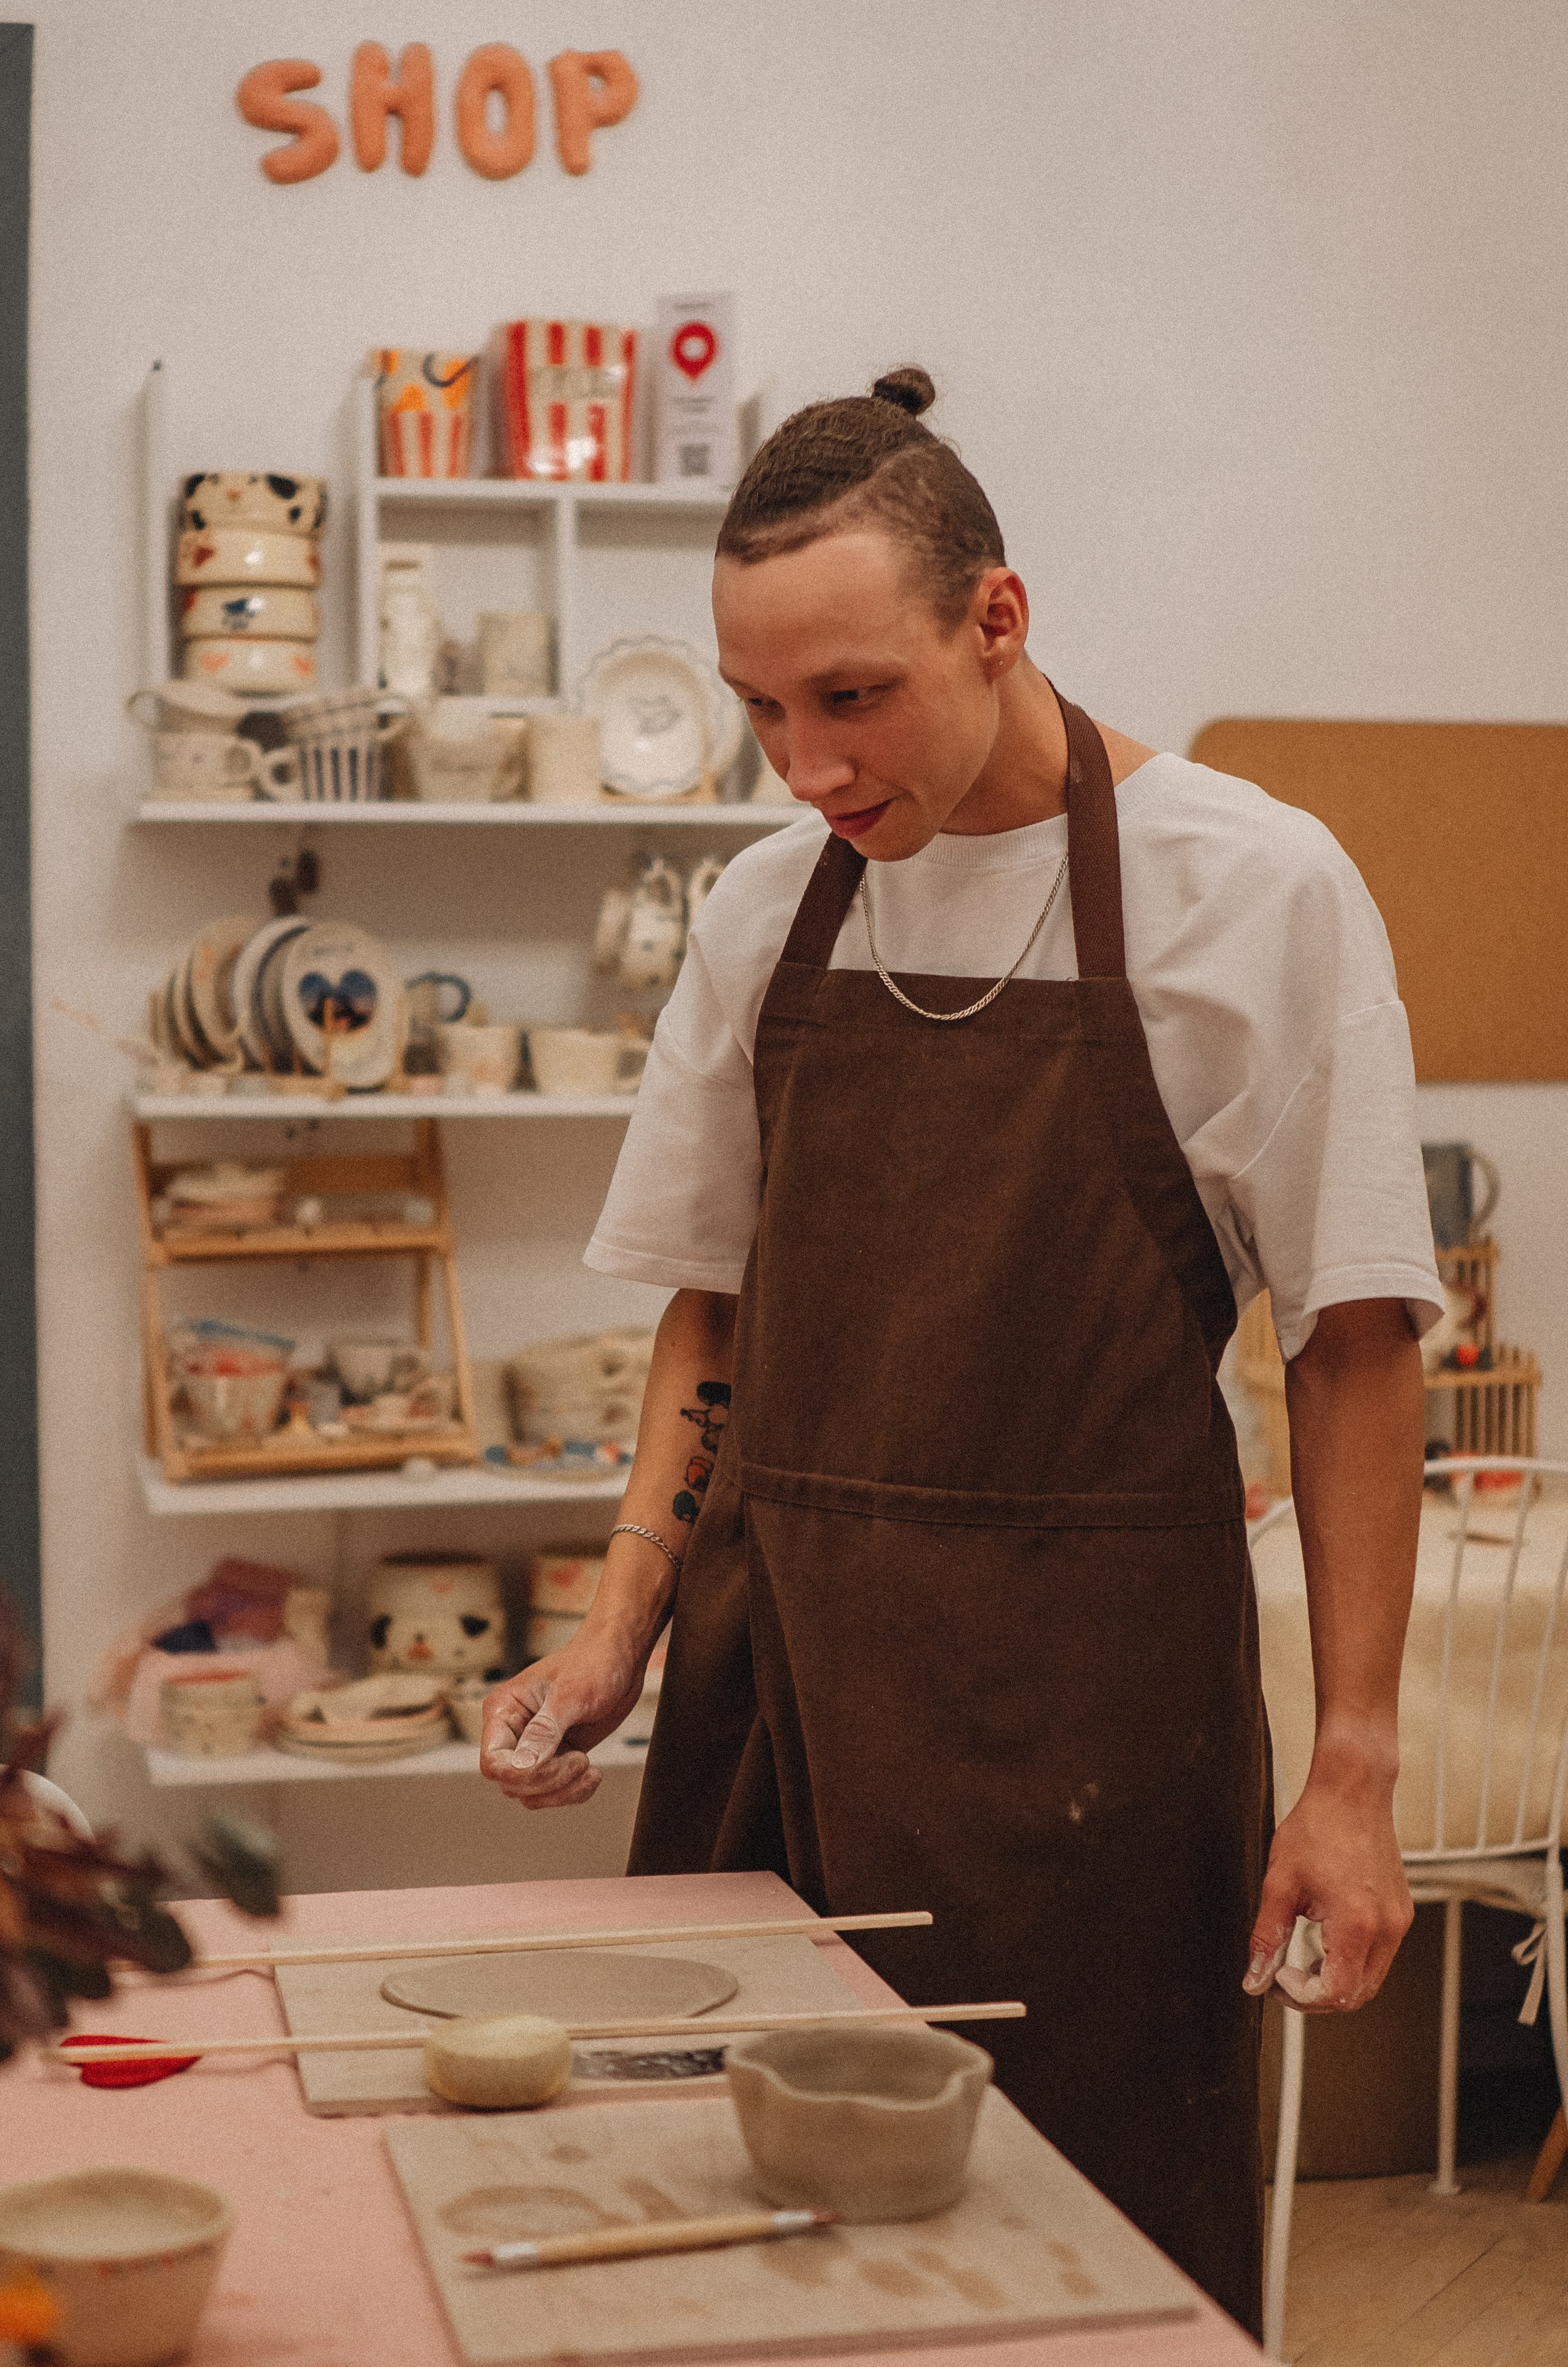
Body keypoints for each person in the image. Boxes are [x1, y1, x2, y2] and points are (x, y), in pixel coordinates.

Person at [481, 367, 1441, 2334]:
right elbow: (717, 1302)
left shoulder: (1249, 892)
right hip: (790, 1693)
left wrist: (1353, 1769)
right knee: (742, 2250)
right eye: (760, 709)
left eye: (852, 697)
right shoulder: (765, 916)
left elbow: (1356, 1350)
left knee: (1082, 2261)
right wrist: (618, 1625)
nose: (804, 764)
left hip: (1089, 1725)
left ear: (997, 618)